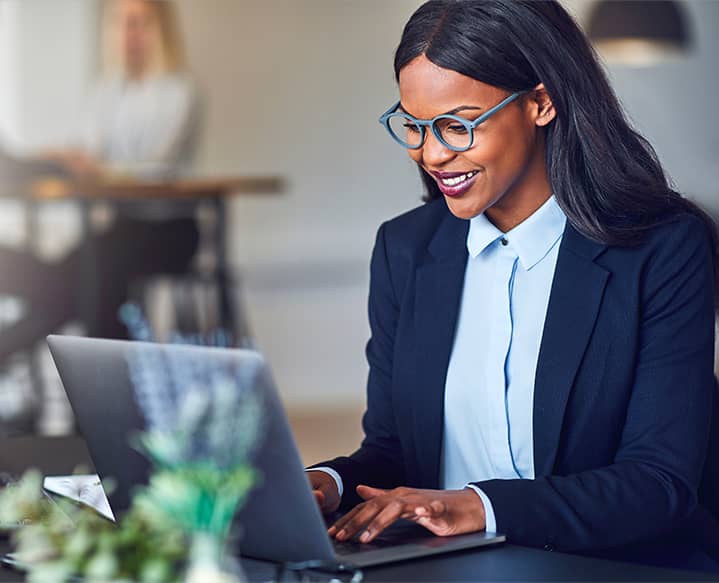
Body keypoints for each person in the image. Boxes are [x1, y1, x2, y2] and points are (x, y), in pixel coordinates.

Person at [306, 0, 719, 572]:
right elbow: (395, 454)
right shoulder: (405, 249)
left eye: (458, 124)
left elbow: (658, 482)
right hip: (445, 567)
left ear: (540, 103)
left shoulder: (662, 249)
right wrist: (323, 483)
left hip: (611, 566)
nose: (431, 153)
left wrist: (479, 506)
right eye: (415, 125)